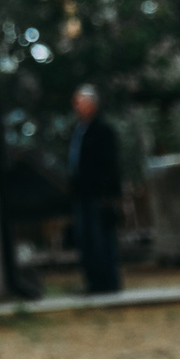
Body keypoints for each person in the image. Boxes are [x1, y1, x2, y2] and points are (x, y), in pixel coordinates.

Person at [66, 86, 123, 297]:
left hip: (98, 195)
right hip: (82, 194)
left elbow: (110, 164)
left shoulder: (102, 130)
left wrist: (108, 194)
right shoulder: (80, 130)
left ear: (92, 104)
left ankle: (107, 282)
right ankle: (93, 281)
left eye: (80, 102)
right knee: (86, 240)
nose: (76, 107)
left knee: (102, 240)